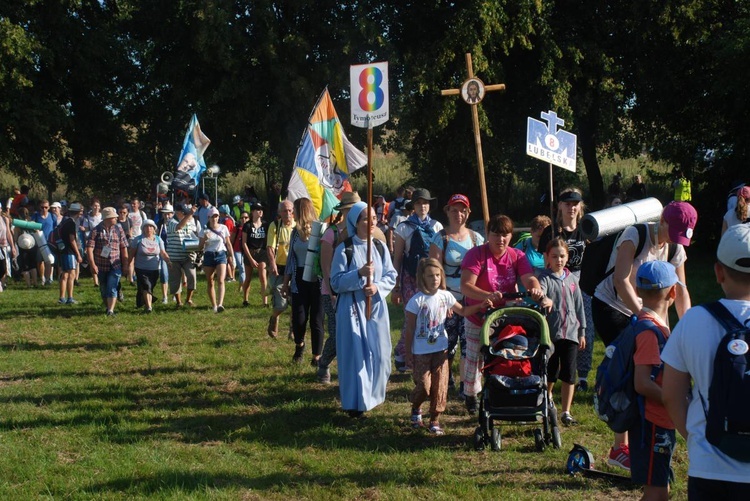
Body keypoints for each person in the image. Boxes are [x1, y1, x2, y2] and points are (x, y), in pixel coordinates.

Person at [593, 200, 697, 470]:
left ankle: (646, 437)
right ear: (661, 220)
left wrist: (687, 327)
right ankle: (620, 448)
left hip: (647, 311)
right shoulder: (635, 235)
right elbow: (621, 280)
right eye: (670, 232)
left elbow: (681, 290)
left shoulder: (675, 247)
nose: (672, 241)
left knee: (651, 371)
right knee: (628, 371)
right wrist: (643, 315)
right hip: (612, 306)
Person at [661, 224, 750, 498]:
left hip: (709, 467)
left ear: (718, 272)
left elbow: (671, 395)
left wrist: (697, 439)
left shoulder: (694, 321)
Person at [460, 214, 543, 414]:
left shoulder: (517, 256)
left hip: (505, 315)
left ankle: (504, 390)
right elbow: (466, 286)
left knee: (505, 354)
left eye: (505, 235)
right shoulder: (476, 254)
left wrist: (536, 289)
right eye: (496, 234)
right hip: (478, 314)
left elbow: (529, 278)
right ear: (487, 235)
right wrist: (488, 296)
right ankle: (470, 394)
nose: (501, 239)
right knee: (474, 358)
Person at [404, 258, 492, 435]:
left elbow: (464, 311)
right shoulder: (416, 301)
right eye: (430, 276)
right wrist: (408, 353)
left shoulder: (446, 296)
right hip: (420, 351)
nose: (435, 279)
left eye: (437, 275)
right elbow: (410, 329)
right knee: (424, 386)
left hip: (441, 349)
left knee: (440, 385)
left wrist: (481, 306)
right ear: (422, 277)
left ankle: (435, 419)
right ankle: (416, 408)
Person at [330, 202, 397, 418]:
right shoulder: (345, 248)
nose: (371, 223)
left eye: (374, 218)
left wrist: (377, 287)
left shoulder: (379, 246)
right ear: (355, 222)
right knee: (355, 355)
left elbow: (391, 275)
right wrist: (359, 274)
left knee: (381, 353)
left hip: (375, 305)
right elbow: (336, 282)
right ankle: (354, 404)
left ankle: (374, 396)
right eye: (366, 219)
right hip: (351, 309)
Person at [622, 260, 680, 501]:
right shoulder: (649, 332)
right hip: (652, 424)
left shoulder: (653, 327)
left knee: (659, 489)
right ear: (674, 293)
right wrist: (675, 399)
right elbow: (642, 382)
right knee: (657, 493)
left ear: (636, 291)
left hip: (659, 422)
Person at [537, 188, 595, 393]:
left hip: (582, 281)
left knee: (583, 324)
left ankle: (583, 375)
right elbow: (544, 261)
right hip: (556, 281)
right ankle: (550, 377)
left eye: (575, 204)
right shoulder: (551, 231)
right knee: (557, 330)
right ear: (560, 206)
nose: (571, 207)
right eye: (567, 204)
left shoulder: (586, 228)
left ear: (580, 206)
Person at [428, 193, 484, 397]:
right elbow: (434, 269)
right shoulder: (440, 238)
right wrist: (444, 300)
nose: (458, 214)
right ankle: (446, 377)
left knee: (470, 345)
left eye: (462, 210)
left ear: (468, 213)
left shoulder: (476, 239)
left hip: (472, 299)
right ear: (448, 212)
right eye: (454, 210)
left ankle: (466, 385)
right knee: (448, 344)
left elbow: (484, 268)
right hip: (449, 299)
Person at [391, 188, 444, 372]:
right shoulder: (403, 227)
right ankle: (402, 352)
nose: (423, 206)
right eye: (420, 203)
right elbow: (397, 258)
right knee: (411, 316)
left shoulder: (437, 227)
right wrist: (395, 286)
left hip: (430, 278)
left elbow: (440, 258)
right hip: (409, 278)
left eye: (426, 203)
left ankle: (420, 354)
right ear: (413, 206)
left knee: (428, 317)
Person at [536, 238, 586, 426]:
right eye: (554, 256)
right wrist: (544, 299)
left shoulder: (573, 279)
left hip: (571, 333)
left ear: (567, 257)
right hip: (551, 333)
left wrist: (582, 331)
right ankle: (548, 398)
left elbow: (579, 306)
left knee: (569, 372)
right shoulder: (545, 277)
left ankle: (566, 411)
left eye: (562, 256)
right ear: (547, 257)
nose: (559, 260)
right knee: (551, 369)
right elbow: (541, 294)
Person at [317, 192, 360, 383]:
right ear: (344, 211)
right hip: (332, 291)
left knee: (352, 334)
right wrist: (332, 292)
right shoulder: (331, 233)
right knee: (336, 334)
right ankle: (324, 364)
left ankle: (348, 374)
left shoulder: (361, 233)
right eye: (352, 210)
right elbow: (326, 267)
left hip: (354, 291)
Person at [282, 198, 324, 364]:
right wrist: (286, 283)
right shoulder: (294, 232)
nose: (292, 213)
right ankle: (299, 346)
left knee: (316, 318)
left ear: (301, 210)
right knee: (299, 317)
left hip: (317, 278)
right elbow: (290, 258)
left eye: (294, 210)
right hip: (299, 277)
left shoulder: (320, 230)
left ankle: (317, 356)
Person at [87, 206, 129, 316]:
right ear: (107, 218)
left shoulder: (119, 230)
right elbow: (90, 248)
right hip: (101, 265)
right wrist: (92, 264)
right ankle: (108, 307)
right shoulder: (95, 231)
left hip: (115, 265)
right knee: (104, 288)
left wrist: (125, 265)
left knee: (112, 287)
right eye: (114, 217)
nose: (116, 218)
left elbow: (124, 247)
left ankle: (111, 310)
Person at [266, 200, 295, 338]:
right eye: (285, 211)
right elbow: (270, 248)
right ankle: (274, 318)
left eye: (290, 210)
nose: (288, 213)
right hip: (279, 269)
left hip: (294, 268)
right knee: (281, 304)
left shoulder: (298, 226)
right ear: (279, 212)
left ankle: (293, 330)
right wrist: (272, 264)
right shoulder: (275, 226)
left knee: (295, 302)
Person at [199, 207, 233, 313]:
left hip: (221, 254)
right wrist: (204, 239)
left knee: (221, 280)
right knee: (210, 281)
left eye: (216, 216)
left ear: (218, 217)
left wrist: (231, 255)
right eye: (212, 216)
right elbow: (199, 247)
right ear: (208, 218)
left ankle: (220, 304)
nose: (214, 218)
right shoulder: (204, 230)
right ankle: (214, 305)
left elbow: (228, 242)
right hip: (209, 255)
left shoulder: (223, 228)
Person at [166, 204, 199, 308]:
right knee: (175, 280)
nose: (185, 215)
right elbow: (179, 227)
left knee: (192, 276)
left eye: (186, 213)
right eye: (184, 213)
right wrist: (190, 214)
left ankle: (189, 299)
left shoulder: (188, 223)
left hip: (187, 255)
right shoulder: (170, 222)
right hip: (174, 256)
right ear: (177, 212)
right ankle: (178, 302)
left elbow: (191, 236)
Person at [241, 203, 268, 307]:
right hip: (250, 252)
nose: (260, 211)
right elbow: (244, 243)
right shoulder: (247, 225)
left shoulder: (265, 225)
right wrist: (251, 259)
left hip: (262, 252)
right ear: (252, 212)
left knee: (263, 276)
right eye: (257, 209)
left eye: (261, 209)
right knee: (248, 278)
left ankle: (264, 302)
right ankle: (245, 299)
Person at [57, 202, 83, 304]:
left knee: (65, 274)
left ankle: (62, 297)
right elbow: (72, 239)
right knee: (70, 274)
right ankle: (69, 298)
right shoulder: (72, 223)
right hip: (69, 251)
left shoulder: (65, 221)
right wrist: (78, 253)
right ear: (77, 213)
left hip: (63, 250)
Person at [32, 199, 56, 286]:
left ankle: (49, 278)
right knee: (40, 261)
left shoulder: (52, 216)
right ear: (39, 207)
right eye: (42, 207)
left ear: (49, 207)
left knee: (49, 260)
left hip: (50, 241)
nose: (44, 209)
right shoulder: (36, 216)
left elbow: (55, 228)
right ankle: (42, 278)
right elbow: (32, 225)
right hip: (39, 241)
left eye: (46, 207)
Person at [13, 207, 38, 287]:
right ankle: (35, 283)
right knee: (33, 265)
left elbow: (15, 238)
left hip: (23, 247)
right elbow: (38, 232)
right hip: (33, 245)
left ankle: (28, 285)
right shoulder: (32, 223)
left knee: (25, 266)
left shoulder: (18, 225)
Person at [156, 203, 173, 304]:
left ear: (172, 214)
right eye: (165, 214)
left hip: (174, 251)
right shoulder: (160, 224)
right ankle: (165, 296)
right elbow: (157, 236)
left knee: (175, 274)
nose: (167, 216)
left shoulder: (176, 223)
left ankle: (175, 294)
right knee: (163, 273)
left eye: (169, 214)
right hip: (163, 252)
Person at [217, 204, 237, 282]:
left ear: (223, 213)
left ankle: (231, 276)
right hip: (228, 243)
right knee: (228, 260)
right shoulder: (227, 220)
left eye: (220, 212)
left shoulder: (227, 221)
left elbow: (227, 234)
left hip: (228, 243)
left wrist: (227, 243)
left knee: (229, 260)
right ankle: (231, 276)